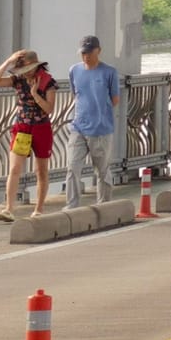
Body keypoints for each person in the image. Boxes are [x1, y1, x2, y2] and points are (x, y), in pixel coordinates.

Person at [0, 49, 56, 221]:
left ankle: (39, 209)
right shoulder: (18, 80)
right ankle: (8, 208)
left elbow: (49, 109)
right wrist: (8, 61)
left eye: (28, 68)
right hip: (22, 127)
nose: (26, 73)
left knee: (41, 170)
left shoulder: (47, 82)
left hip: (41, 127)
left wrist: (35, 94)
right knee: (14, 168)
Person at [64, 35, 120, 210]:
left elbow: (115, 99)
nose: (85, 56)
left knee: (102, 170)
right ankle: (71, 205)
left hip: (101, 129)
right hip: (78, 127)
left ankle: (104, 204)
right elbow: (75, 94)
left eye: (89, 52)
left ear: (98, 51)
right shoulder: (74, 70)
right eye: (83, 53)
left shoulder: (109, 72)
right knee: (72, 167)